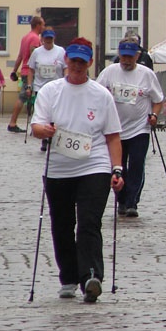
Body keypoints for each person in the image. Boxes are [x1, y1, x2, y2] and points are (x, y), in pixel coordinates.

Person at [30, 37, 124, 303]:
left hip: (94, 165)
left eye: (83, 62)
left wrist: (117, 169)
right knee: (62, 225)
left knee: (89, 223)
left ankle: (91, 277)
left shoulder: (101, 95)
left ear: (90, 64)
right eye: (73, 61)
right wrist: (44, 130)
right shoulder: (51, 91)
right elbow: (36, 127)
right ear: (66, 62)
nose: (77, 66)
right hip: (59, 169)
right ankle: (69, 277)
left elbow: (113, 136)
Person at [96, 36, 164, 218]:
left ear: (138, 55)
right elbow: (96, 94)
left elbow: (158, 99)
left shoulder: (146, 74)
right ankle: (121, 200)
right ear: (119, 54)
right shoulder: (109, 72)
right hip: (115, 130)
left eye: (130, 57)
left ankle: (132, 201)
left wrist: (154, 115)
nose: (126, 60)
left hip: (139, 129)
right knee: (119, 166)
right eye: (123, 56)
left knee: (136, 164)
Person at [28, 29, 67, 151]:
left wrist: (66, 81)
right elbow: (30, 69)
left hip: (57, 88)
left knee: (56, 113)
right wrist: (29, 85)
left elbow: (66, 67)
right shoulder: (37, 52)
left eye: (50, 39)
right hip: (41, 87)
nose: (48, 41)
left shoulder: (60, 51)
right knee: (44, 113)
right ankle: (44, 139)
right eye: (46, 39)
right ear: (42, 39)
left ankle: (56, 135)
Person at [7, 16, 45, 133]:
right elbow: (36, 56)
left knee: (24, 97)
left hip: (24, 70)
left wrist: (14, 70)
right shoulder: (34, 38)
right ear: (38, 25)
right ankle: (13, 123)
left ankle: (14, 122)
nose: (43, 27)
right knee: (25, 97)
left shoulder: (25, 37)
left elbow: (20, 56)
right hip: (30, 72)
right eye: (43, 25)